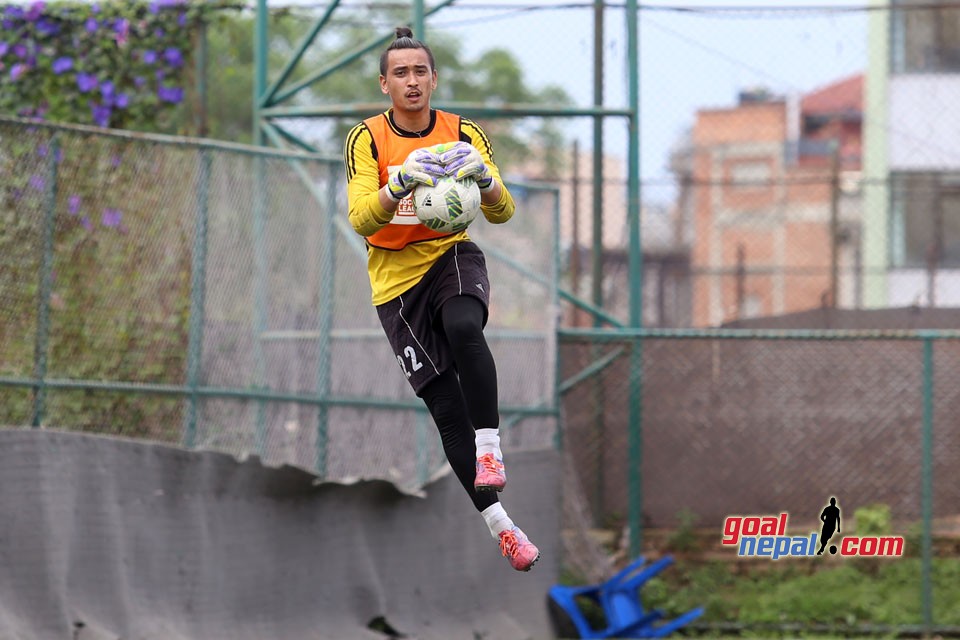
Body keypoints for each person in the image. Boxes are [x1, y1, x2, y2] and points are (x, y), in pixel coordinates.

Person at [343, 26, 539, 572]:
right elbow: (361, 217)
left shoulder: (463, 132)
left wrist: (487, 180)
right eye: (400, 73)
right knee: (445, 410)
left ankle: (490, 445)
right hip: (397, 288)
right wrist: (401, 180)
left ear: (434, 78)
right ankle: (501, 526)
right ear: (384, 84)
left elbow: (502, 211)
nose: (412, 81)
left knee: (463, 327)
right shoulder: (367, 139)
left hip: (451, 255)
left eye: (420, 71)